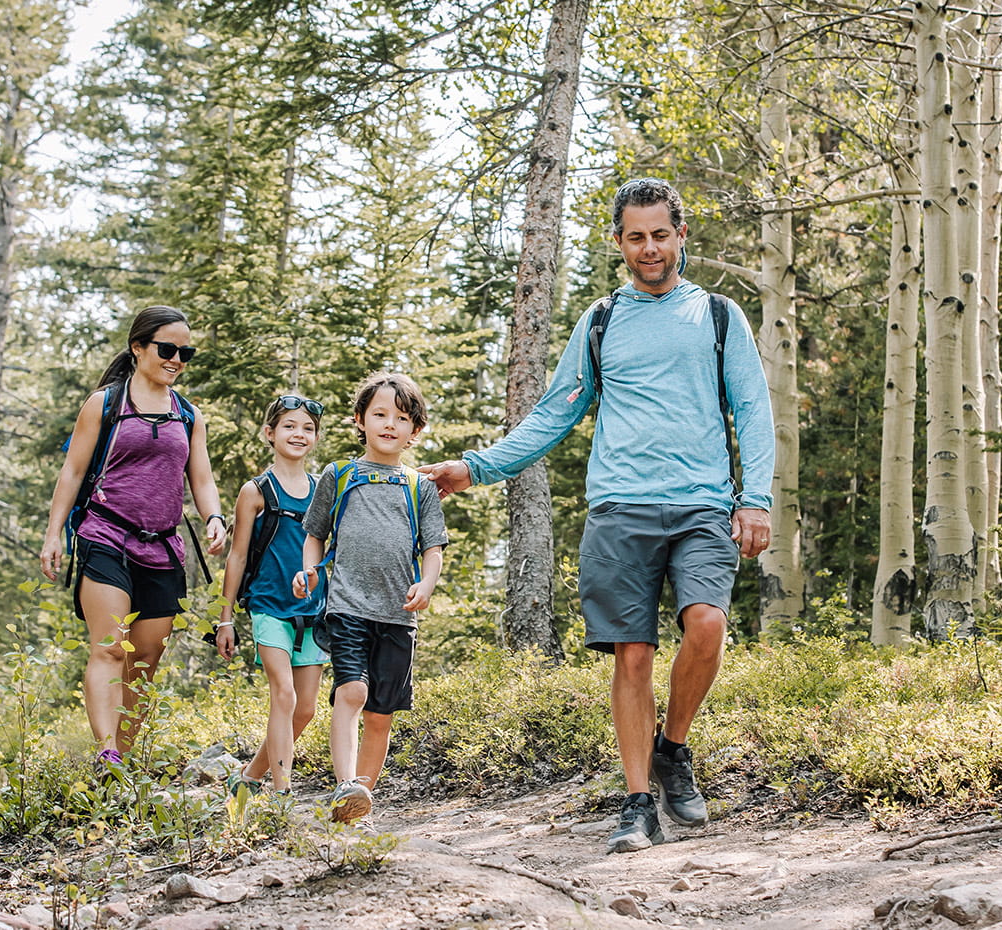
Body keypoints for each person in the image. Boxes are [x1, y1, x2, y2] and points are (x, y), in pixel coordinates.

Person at [420, 177, 775, 854]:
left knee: (707, 625)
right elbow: (554, 412)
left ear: (681, 235)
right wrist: (476, 467)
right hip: (619, 507)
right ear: (619, 242)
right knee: (632, 654)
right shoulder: (603, 319)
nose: (649, 248)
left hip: (703, 503)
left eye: (660, 234)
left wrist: (754, 497)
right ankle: (638, 805)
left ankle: (673, 747)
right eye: (635, 237)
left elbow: (753, 411)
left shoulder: (718, 316)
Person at [39, 305, 228, 771]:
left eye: (185, 352)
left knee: (144, 659)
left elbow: (201, 478)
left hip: (162, 547)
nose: (176, 359)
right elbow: (73, 471)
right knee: (109, 647)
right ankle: (106, 754)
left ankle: (120, 762)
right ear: (138, 347)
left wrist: (214, 516)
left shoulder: (188, 415)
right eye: (167, 349)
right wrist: (53, 534)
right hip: (105, 534)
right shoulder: (105, 404)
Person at [293, 372, 448, 823]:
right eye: (379, 414)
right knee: (352, 691)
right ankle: (345, 784)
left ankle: (359, 803)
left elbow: (433, 548)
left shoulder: (419, 486)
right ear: (360, 420)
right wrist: (309, 570)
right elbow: (315, 534)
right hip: (347, 607)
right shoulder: (339, 474)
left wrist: (427, 583)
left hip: (398, 616)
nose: (389, 425)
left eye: (401, 418)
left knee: (380, 715)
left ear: (415, 429)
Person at [214, 394, 329, 798]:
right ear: (270, 433)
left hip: (314, 611)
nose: (299, 434)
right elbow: (237, 555)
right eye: (289, 426)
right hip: (268, 606)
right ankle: (283, 795)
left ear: (316, 438)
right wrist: (225, 619)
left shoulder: (323, 489)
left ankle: (248, 777)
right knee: (283, 694)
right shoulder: (256, 491)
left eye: (308, 428)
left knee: (305, 709)